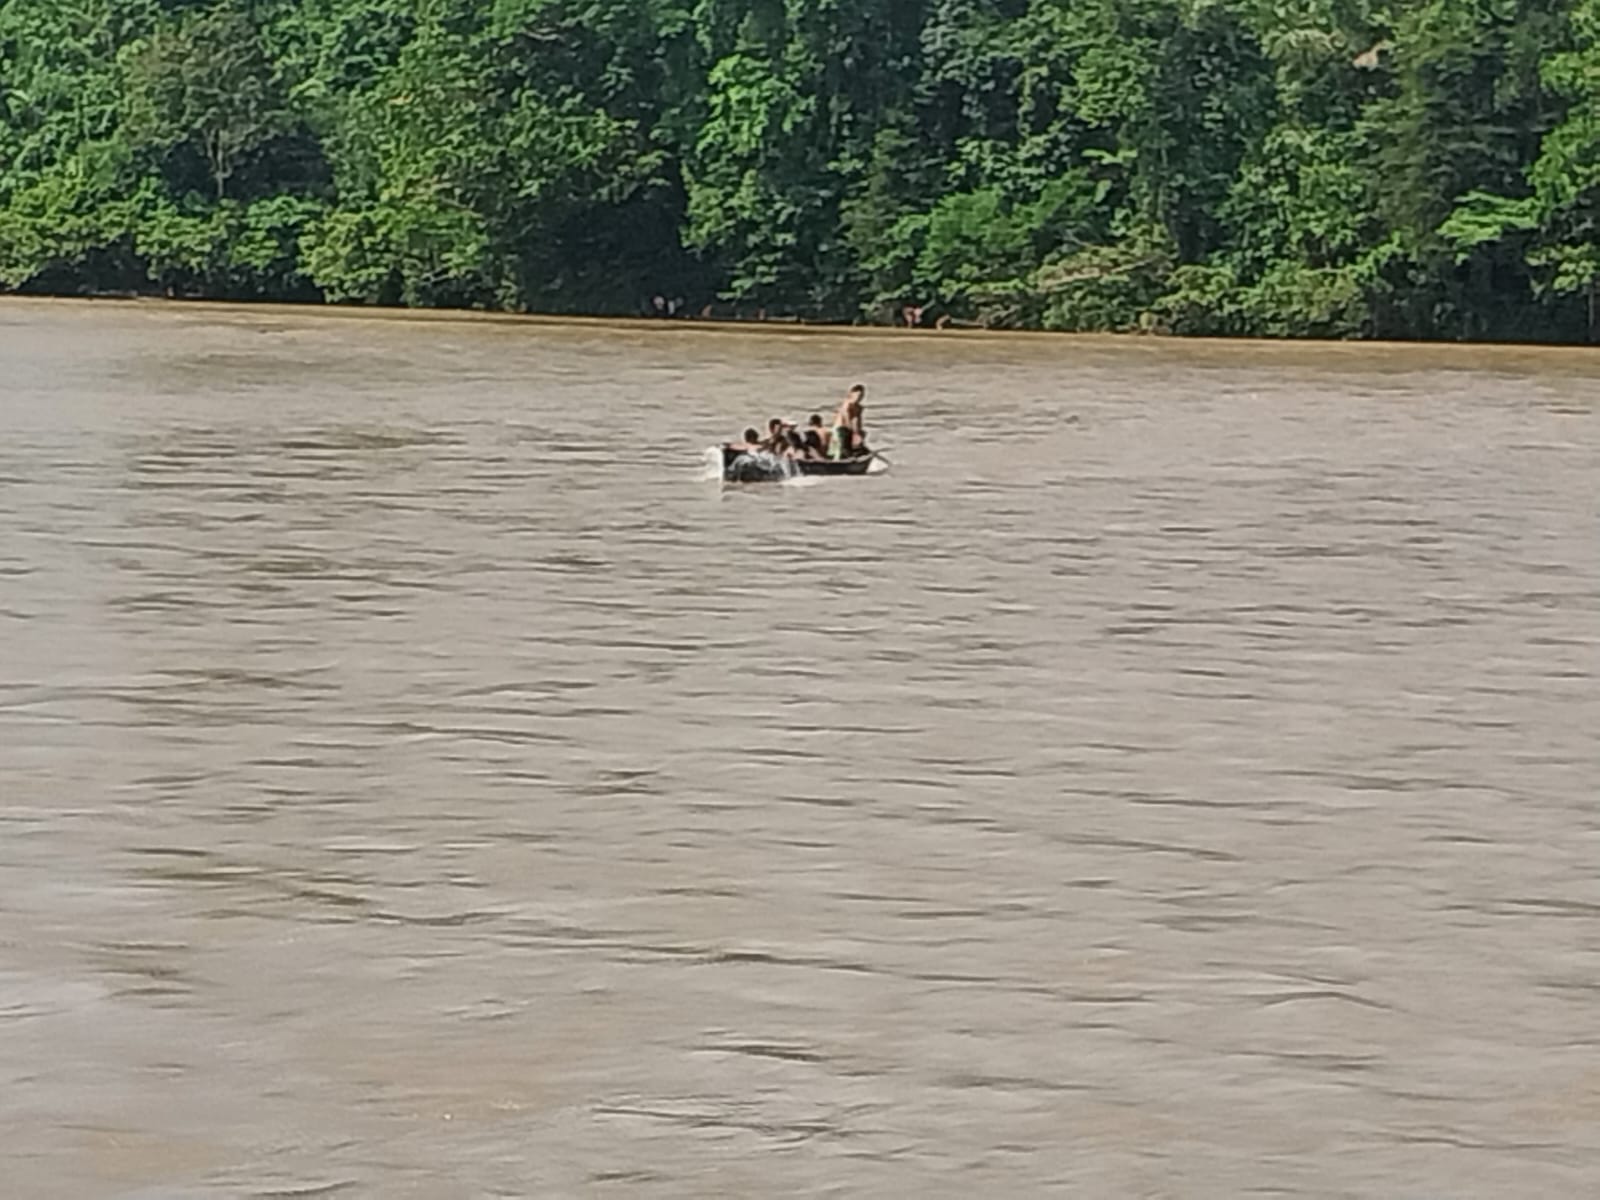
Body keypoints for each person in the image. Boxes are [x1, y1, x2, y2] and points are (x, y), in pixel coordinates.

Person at [830, 384, 867, 460]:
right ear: (851, 394)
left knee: (860, 437)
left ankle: (854, 455)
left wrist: (858, 432)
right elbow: (846, 418)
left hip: (848, 430)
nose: (859, 398)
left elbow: (858, 422)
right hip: (840, 429)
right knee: (843, 443)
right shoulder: (847, 404)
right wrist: (852, 432)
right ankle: (840, 459)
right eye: (858, 395)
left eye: (861, 396)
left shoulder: (859, 408)